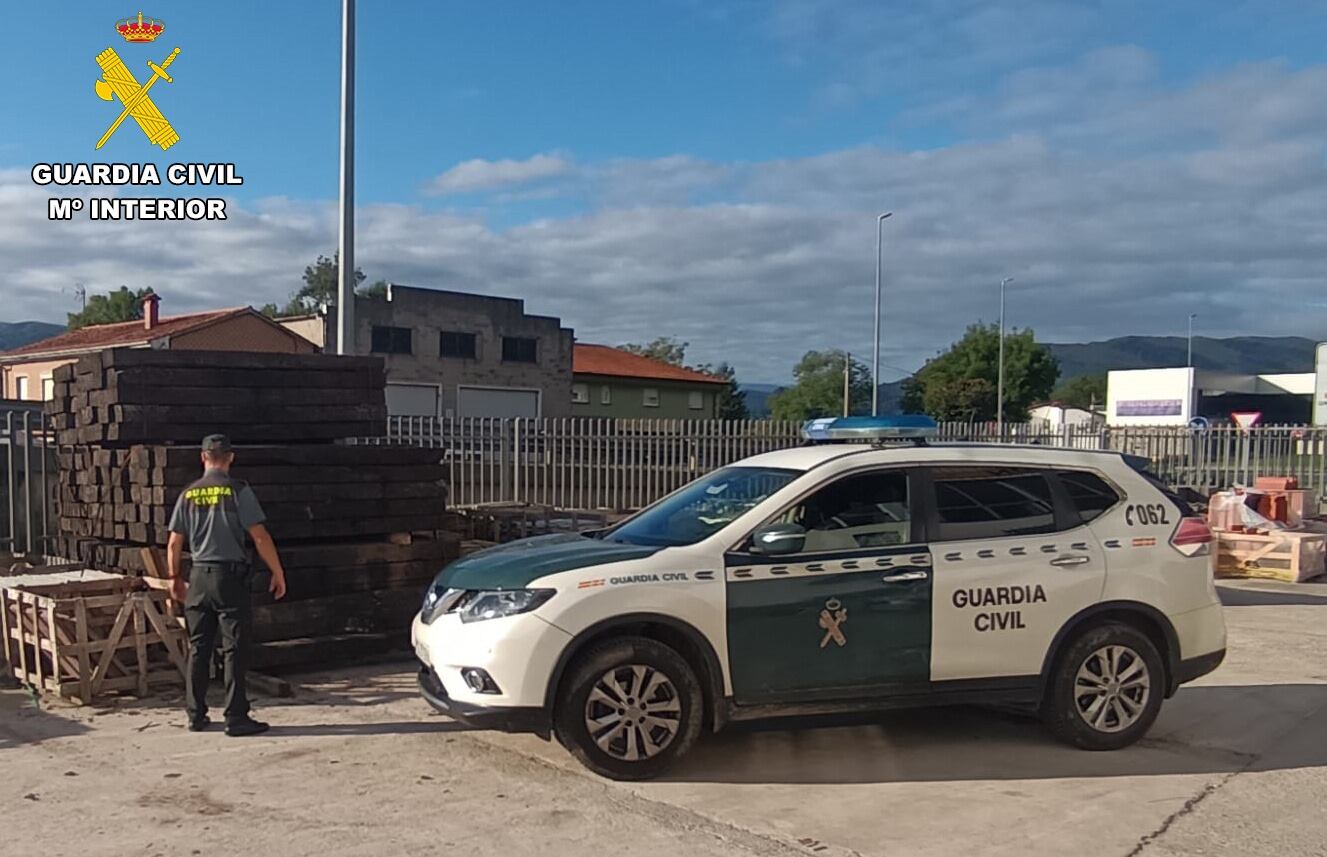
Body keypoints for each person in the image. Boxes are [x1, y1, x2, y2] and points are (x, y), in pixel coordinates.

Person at [167, 434, 288, 737]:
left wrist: (174, 578)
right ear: (230, 458)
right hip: (229, 577)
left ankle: (196, 714)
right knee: (234, 648)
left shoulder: (188, 494)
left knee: (199, 648)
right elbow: (259, 536)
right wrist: (277, 571)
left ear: (202, 457)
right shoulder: (238, 491)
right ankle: (236, 717)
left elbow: (173, 543)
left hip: (198, 576)